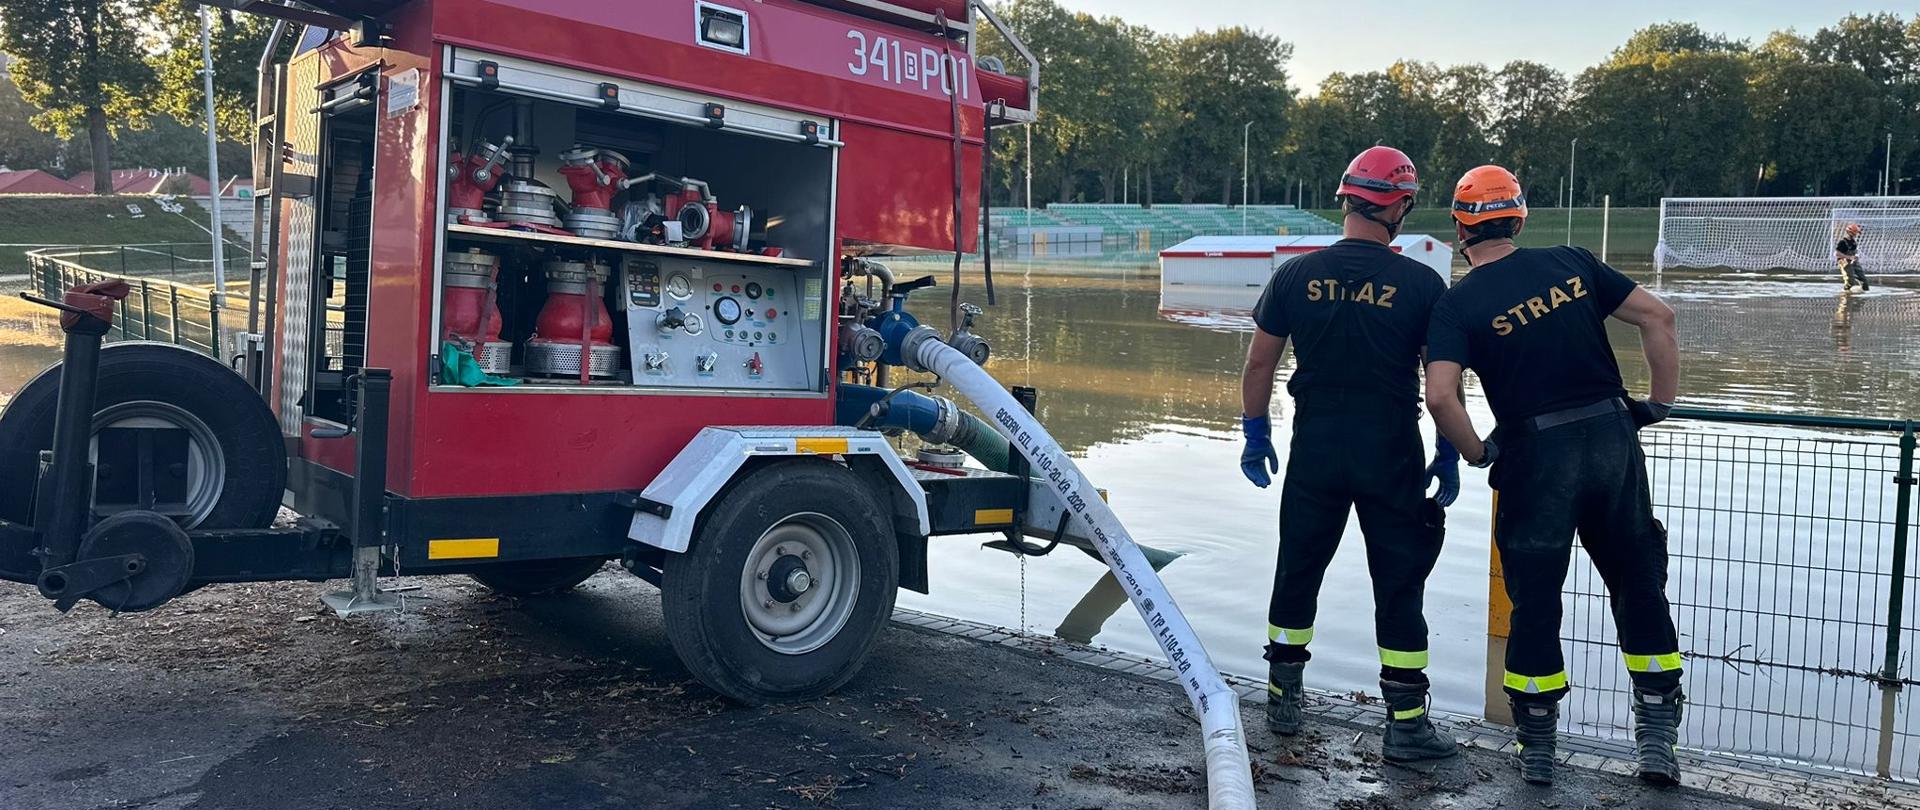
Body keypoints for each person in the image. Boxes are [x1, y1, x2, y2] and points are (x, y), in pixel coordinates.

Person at [1423, 165, 1685, 787]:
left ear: (1461, 227)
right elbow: (1660, 318)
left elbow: (1440, 396)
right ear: (1519, 216)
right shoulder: (1573, 262)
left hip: (1536, 455)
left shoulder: (1456, 306)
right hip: (1610, 441)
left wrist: (1477, 453)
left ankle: (1537, 746)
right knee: (1638, 584)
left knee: (1535, 602)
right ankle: (1656, 740)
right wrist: (1659, 405)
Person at [1238, 145, 1460, 762]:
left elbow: (1260, 362)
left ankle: (1284, 698)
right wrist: (1446, 453)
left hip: (1315, 446)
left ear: (1346, 200)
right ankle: (1407, 724)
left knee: (1298, 567)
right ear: (1401, 207)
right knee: (1398, 582)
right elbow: (1443, 386)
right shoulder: (1422, 283)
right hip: (1389, 449)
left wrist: (1256, 434)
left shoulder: (1293, 274)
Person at [1837, 223, 1870, 292]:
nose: (1856, 235)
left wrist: (1855, 257)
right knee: (1850, 281)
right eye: (1855, 233)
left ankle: (1865, 292)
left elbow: (1853, 252)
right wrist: (1848, 257)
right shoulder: (1843, 242)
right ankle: (1845, 294)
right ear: (1850, 232)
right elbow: (1837, 254)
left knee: (1864, 281)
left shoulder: (1853, 242)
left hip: (1854, 262)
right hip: (1845, 262)